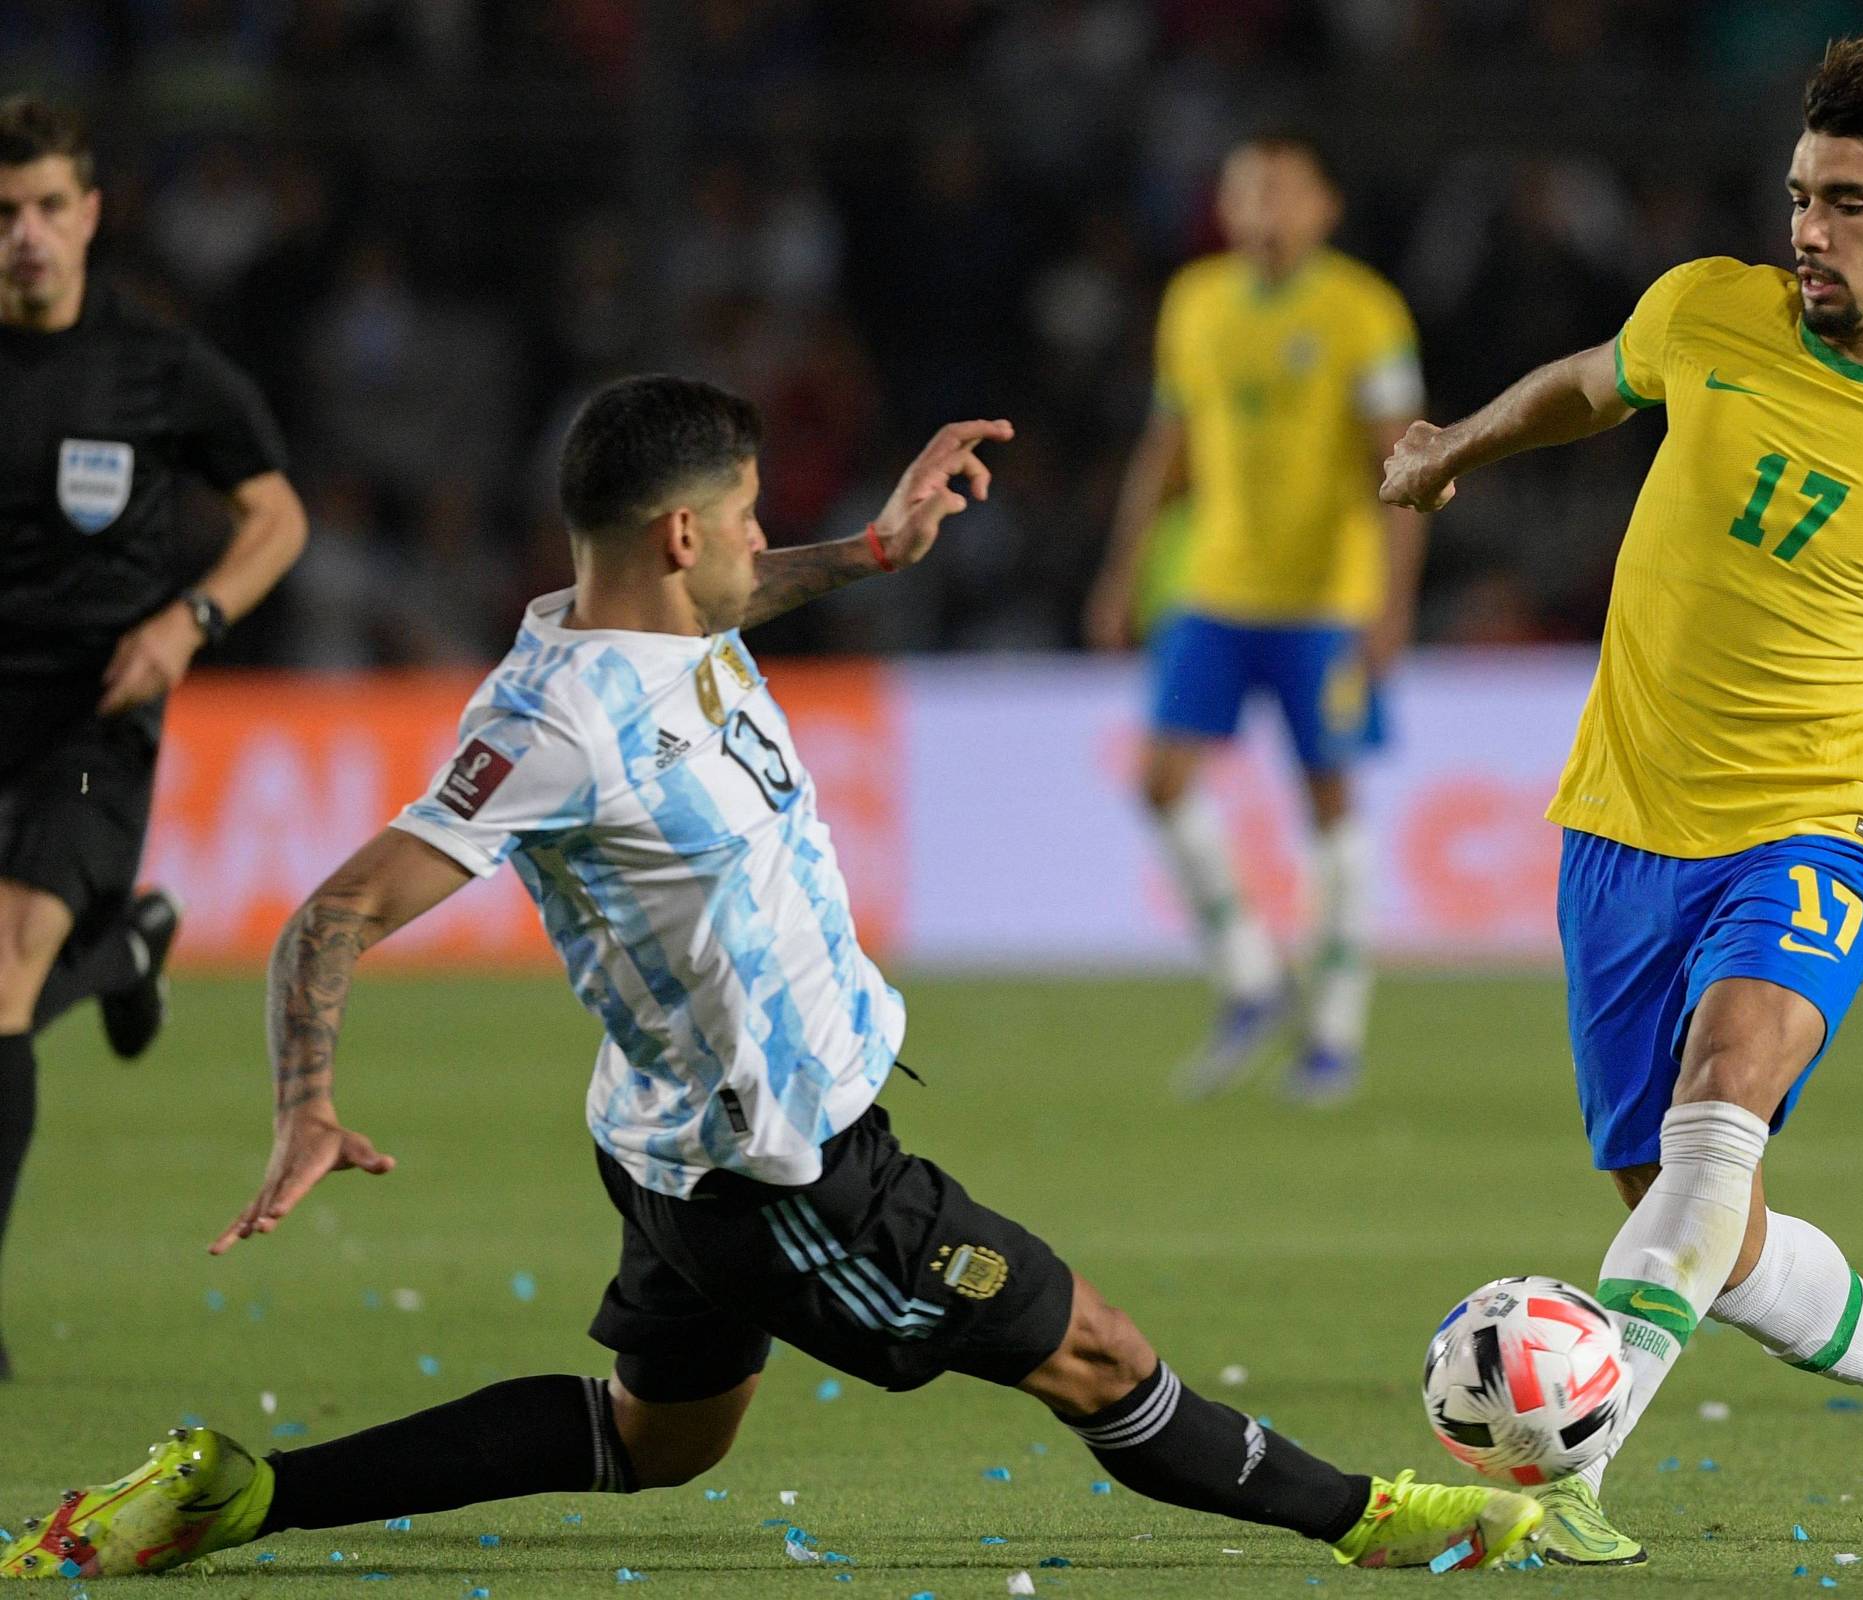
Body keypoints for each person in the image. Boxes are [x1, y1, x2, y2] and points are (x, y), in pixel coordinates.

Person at [1, 376, 1541, 1581]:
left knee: (653, 1445)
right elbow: (327, 916)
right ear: (677, 535)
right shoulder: (560, 722)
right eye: (744, 518)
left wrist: (872, 550)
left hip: (671, 1139)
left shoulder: (637, 615)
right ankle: (1385, 1525)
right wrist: (307, 1101)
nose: (758, 540)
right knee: (1098, 1353)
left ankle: (239, 1491)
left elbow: (730, 604)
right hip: (786, 1175)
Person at [1378, 39, 1863, 1567]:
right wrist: (1454, 445)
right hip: (1622, 827)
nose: (1808, 227)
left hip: (1824, 824)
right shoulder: (1707, 308)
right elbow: (1592, 387)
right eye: (1800, 195)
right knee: (1698, 1226)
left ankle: (1566, 1476)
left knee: (1720, 1111)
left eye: (1847, 202)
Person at [0, 96, 307, 1382]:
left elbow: (278, 516)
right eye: (4, 213)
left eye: (48, 207)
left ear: (90, 214)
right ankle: (124, 949)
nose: (25, 235)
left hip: (93, 716)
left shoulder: (157, 367)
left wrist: (189, 620)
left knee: (4, 966)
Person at [1085, 132, 1426, 1106]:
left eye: (1282, 190)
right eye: (1245, 193)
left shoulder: (1362, 310)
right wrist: (1124, 568)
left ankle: (1334, 1029)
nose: (1263, 210)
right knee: (1158, 780)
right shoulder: (1194, 304)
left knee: (1327, 798)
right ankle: (1249, 976)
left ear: (1325, 206)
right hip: (1216, 587)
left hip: (1325, 599)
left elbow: (1400, 463)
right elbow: (1168, 443)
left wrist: (1393, 600)